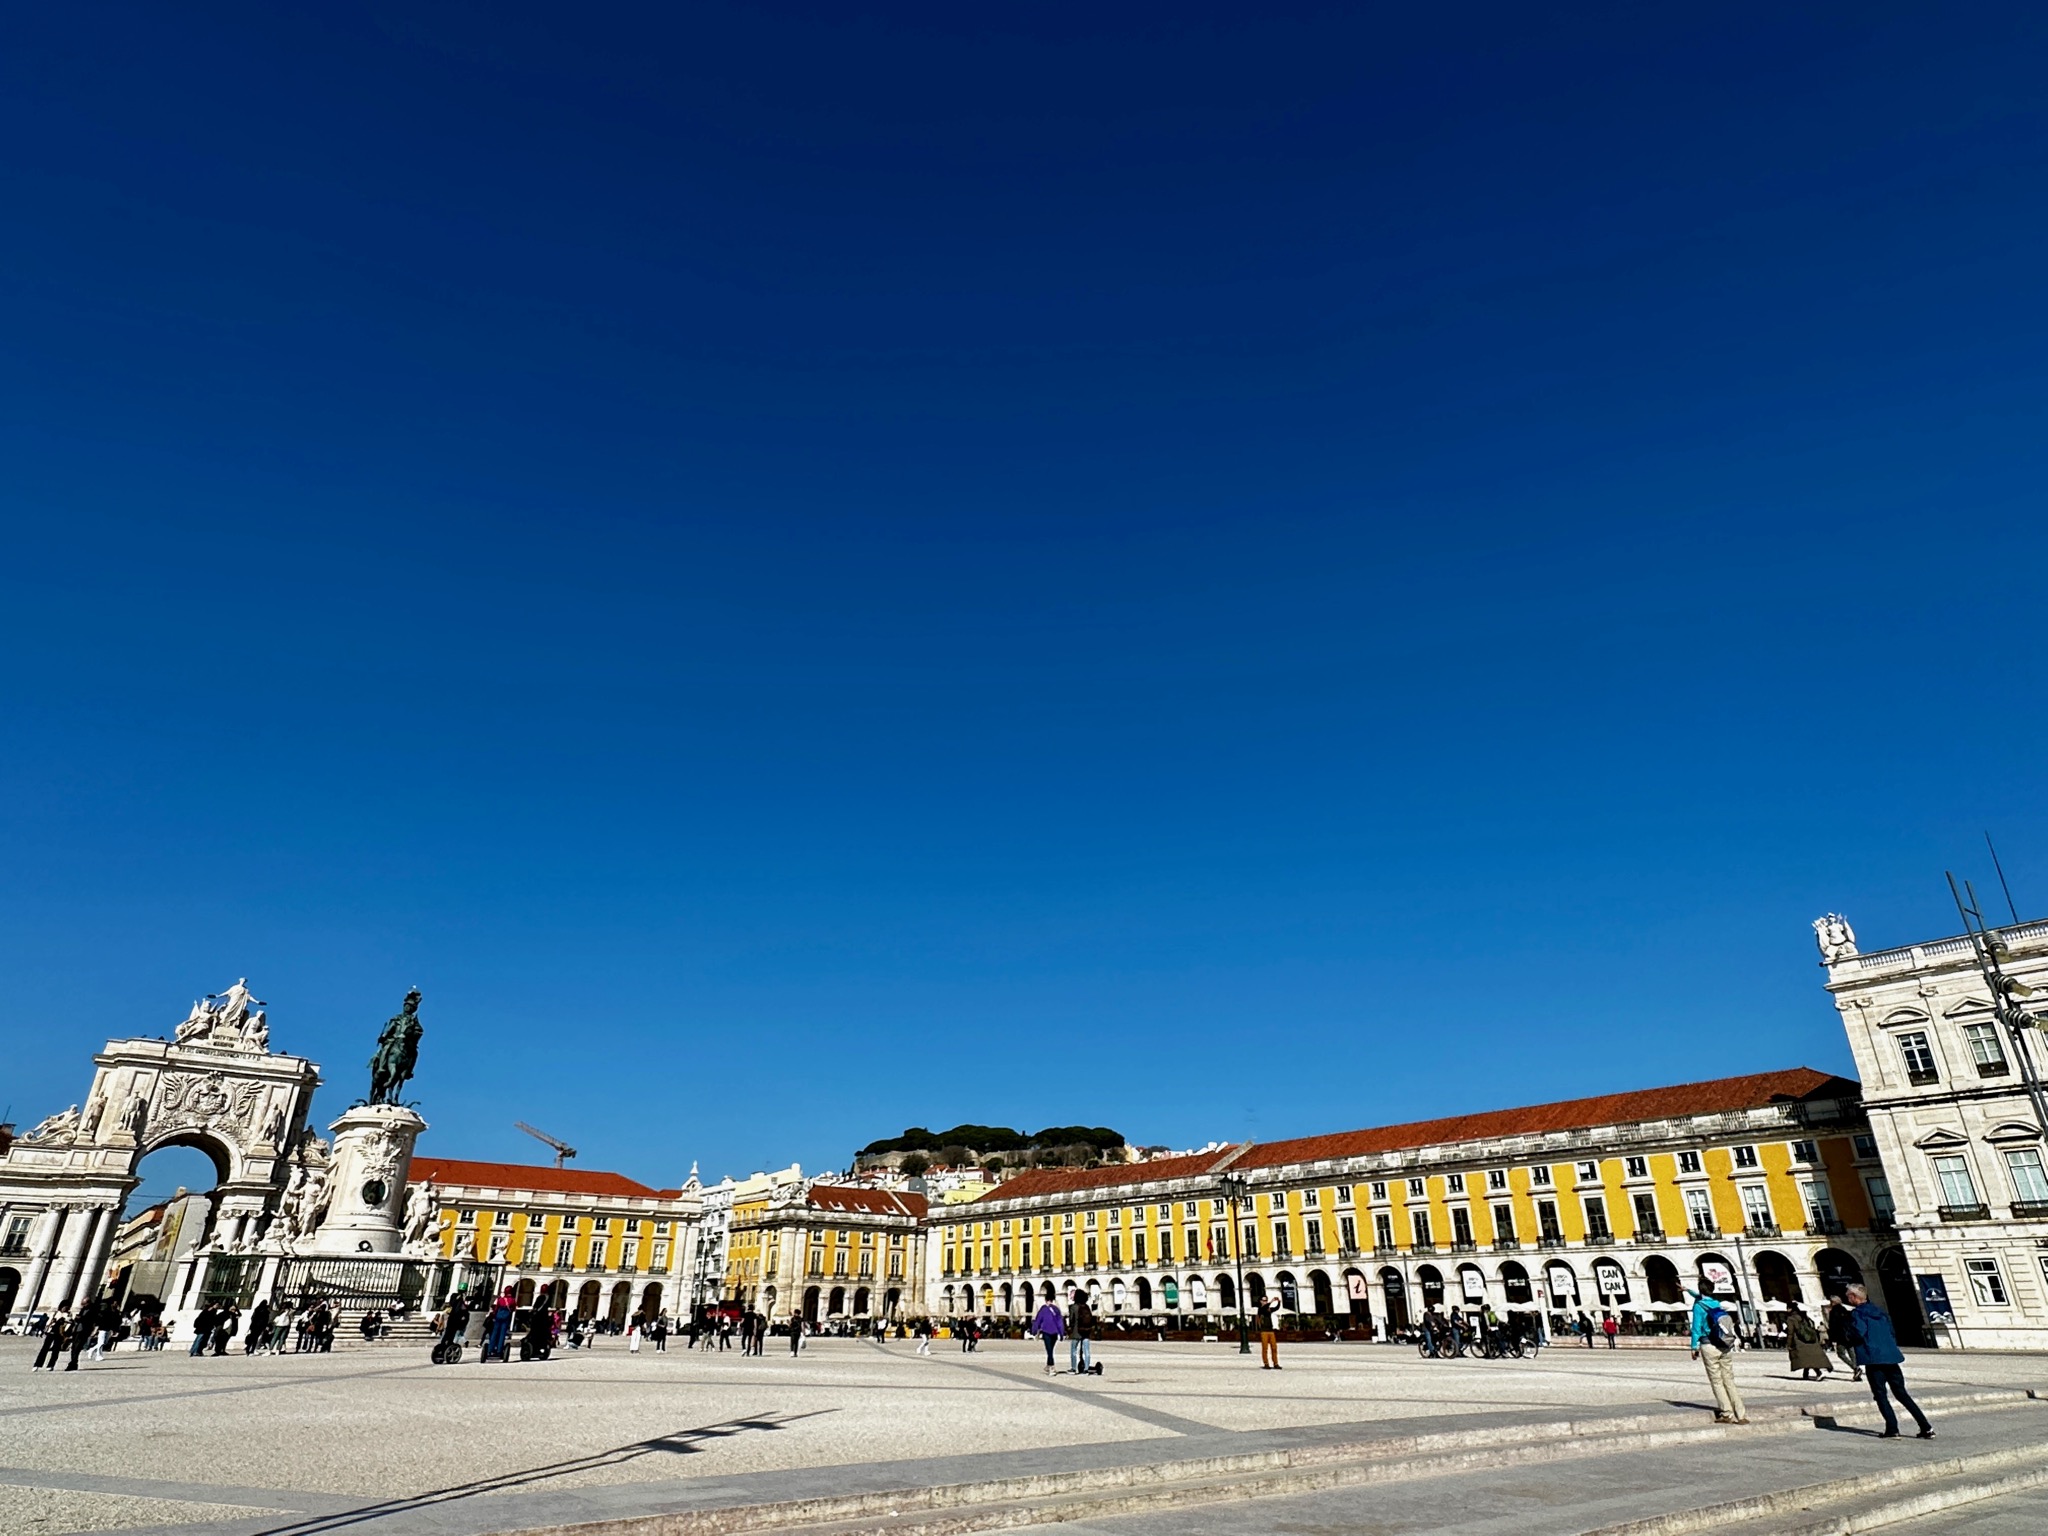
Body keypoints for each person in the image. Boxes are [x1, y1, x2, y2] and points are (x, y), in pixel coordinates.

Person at [1843, 1284, 1932, 1439]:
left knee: (1880, 1394)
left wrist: (1847, 1334)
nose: (1847, 1298)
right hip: (1891, 1357)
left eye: (1848, 1296)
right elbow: (1891, 1332)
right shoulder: (1880, 1312)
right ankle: (1926, 1427)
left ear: (1854, 1297)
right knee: (1902, 1394)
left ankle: (1892, 1429)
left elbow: (1858, 1332)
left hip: (1874, 1359)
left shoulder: (1858, 1314)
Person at [1687, 1288, 1748, 1424]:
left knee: (1716, 1381)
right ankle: (1741, 1414)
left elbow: (1696, 1328)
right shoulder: (1716, 1303)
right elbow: (1702, 1294)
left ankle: (1727, 1413)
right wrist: (1688, 1291)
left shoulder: (1698, 1306)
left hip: (1708, 1345)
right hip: (1724, 1345)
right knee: (1729, 1380)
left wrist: (1693, 1347)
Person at [1787, 1304, 1831, 1380]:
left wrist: (1789, 1343)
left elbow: (1790, 1332)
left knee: (1807, 1358)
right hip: (1811, 1339)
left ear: (1790, 1309)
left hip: (1800, 1341)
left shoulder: (1791, 1319)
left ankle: (1819, 1373)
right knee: (1808, 1357)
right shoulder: (1804, 1316)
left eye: (1787, 1308)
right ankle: (1806, 1374)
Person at [1825, 1295, 1863, 1382]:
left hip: (1840, 1337)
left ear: (1833, 1302)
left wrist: (1832, 1339)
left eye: (1831, 1302)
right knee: (1852, 1354)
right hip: (1849, 1336)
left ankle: (1856, 1368)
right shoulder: (1845, 1310)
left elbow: (1833, 1326)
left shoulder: (1834, 1312)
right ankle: (1856, 1373)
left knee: (1841, 1354)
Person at [1067, 1290, 1094, 1376]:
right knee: (1087, 1351)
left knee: (1073, 1350)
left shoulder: (1073, 1307)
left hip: (1076, 1332)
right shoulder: (1086, 1307)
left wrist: (1070, 1328)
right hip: (1086, 1331)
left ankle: (1074, 1368)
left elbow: (1071, 1320)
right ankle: (1086, 1369)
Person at [1256, 1295, 1280, 1369]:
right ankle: (1266, 1363)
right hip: (1264, 1331)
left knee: (1274, 1347)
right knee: (1265, 1348)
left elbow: (1276, 1308)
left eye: (1266, 1300)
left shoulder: (1268, 1309)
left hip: (1271, 1330)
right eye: (1264, 1300)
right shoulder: (1260, 1309)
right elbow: (1264, 1308)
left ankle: (1275, 1363)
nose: (1265, 1301)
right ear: (1260, 1301)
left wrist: (1279, 1302)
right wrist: (1272, 1301)